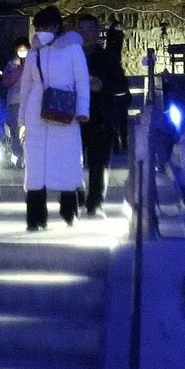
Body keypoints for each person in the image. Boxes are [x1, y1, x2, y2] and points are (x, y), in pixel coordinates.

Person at [19, 6, 90, 231]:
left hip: (64, 110)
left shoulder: (72, 49)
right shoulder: (34, 52)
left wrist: (83, 109)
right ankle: (35, 216)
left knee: (66, 161)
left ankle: (69, 210)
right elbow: (26, 85)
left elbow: (81, 80)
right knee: (35, 166)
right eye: (38, 27)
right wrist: (22, 119)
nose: (40, 31)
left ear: (56, 27)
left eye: (45, 27)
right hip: (37, 112)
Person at [79, 14, 123, 217]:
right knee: (72, 161)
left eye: (90, 29)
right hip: (75, 118)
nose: (86, 34)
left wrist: (102, 86)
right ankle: (76, 198)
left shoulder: (107, 58)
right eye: (82, 30)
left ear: (97, 32)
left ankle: (94, 202)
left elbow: (121, 86)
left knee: (98, 163)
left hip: (100, 117)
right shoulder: (71, 57)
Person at [2, 36, 30, 167]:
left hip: (31, 101)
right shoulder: (12, 64)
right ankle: (18, 155)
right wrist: (17, 69)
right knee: (15, 129)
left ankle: (28, 156)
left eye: (25, 49)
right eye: (20, 49)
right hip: (15, 101)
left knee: (30, 129)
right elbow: (7, 81)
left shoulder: (34, 62)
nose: (22, 52)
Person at [105, 22, 131, 154]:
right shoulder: (114, 68)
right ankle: (121, 144)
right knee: (119, 121)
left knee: (117, 121)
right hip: (117, 95)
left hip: (116, 95)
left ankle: (118, 145)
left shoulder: (111, 67)